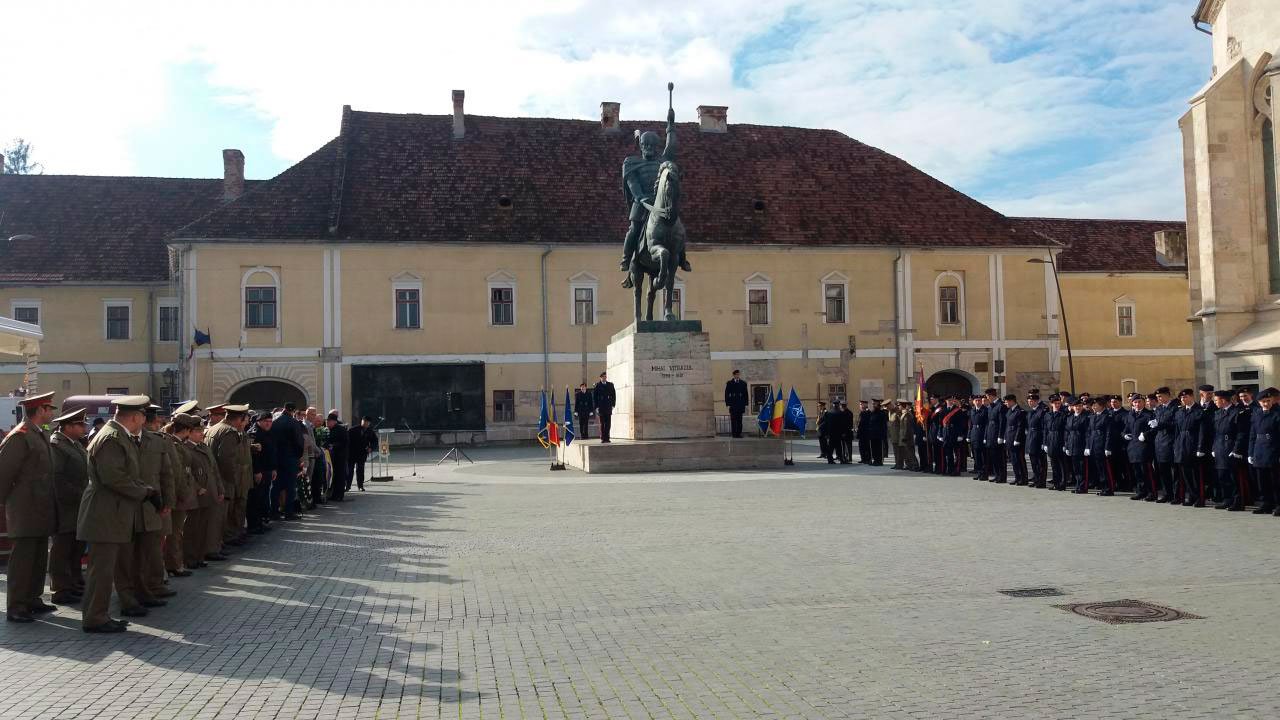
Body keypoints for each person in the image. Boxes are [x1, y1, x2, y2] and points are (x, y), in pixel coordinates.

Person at [79, 395, 156, 633]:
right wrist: (144, 493)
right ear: (135, 417)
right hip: (105, 513)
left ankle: (99, 614)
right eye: (143, 416)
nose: (144, 421)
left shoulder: (119, 435)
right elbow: (114, 477)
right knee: (101, 570)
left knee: (105, 568)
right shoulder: (112, 438)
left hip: (113, 511)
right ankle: (95, 618)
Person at [0, 391, 59, 623]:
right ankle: (16, 605)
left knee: (37, 557)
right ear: (40, 410)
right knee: (23, 559)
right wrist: (6, 502)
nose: (51, 413)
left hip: (41, 505)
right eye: (49, 409)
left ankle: (33, 598)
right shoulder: (20, 435)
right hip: (25, 507)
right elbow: (4, 472)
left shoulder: (39, 434)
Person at [48, 408, 90, 605]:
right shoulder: (57, 445)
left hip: (78, 504)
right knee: (62, 549)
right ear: (68, 426)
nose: (84, 428)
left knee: (76, 546)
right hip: (65, 506)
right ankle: (61, 588)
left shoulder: (75, 444)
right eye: (80, 424)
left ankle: (73, 582)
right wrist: (79, 494)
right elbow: (57, 479)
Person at [162, 413, 200, 578]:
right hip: (177, 494)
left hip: (181, 491)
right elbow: (177, 473)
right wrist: (184, 493)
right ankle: (174, 565)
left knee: (177, 531)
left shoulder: (177, 443)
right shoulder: (174, 444)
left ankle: (175, 563)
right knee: (174, 533)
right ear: (185, 430)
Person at [1209, 390, 1245, 511]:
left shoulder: (1237, 412)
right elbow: (1215, 433)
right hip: (1220, 447)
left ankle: (1237, 501)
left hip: (1230, 446)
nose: (1215, 402)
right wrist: (1214, 447)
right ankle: (1227, 499)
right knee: (1222, 476)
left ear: (1223, 400)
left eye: (1216, 400)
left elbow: (1241, 433)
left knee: (1233, 477)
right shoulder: (1217, 413)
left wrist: (1236, 449)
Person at [1172, 388, 1207, 507]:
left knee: (1196, 474)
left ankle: (1200, 498)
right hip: (1181, 445)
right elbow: (1177, 431)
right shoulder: (1179, 412)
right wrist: (1176, 446)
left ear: (1192, 397)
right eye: (1181, 398)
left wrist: (1200, 448)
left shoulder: (1200, 411)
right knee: (1185, 474)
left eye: (1185, 397)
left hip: (1193, 444)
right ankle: (1192, 496)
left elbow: (1202, 431)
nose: (1183, 399)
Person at [1248, 387, 1280, 515]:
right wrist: (1250, 453)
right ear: (1259, 402)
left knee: (1275, 480)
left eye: (1268, 400)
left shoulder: (1277, 413)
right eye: (1263, 401)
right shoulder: (1256, 413)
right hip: (1259, 449)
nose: (1266, 403)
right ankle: (1266, 504)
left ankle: (1278, 504)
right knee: (1262, 480)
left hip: (1273, 449)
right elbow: (1252, 434)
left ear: (1272, 400)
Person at [271, 403, 307, 514]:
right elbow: (299, 442)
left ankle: (274, 512)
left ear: (284, 409)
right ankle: (289, 512)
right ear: (293, 411)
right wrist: (298, 456)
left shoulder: (275, 422)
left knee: (276, 486)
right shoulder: (294, 423)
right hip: (291, 458)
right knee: (290, 486)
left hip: (277, 458)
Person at [1123, 394, 1157, 501]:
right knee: (1137, 471)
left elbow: (1153, 429)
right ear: (1132, 403)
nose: (1137, 404)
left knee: (1146, 471)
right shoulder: (1130, 415)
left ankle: (1152, 492)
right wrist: (1124, 435)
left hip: (1144, 446)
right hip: (1133, 447)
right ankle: (1141, 491)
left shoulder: (1149, 414)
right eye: (1135, 402)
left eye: (1139, 402)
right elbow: (1126, 429)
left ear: (1143, 403)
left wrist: (1145, 435)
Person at [247, 413, 276, 531]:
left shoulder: (269, 432)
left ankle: (260, 522)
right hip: (259, 471)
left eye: (270, 421)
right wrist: (257, 471)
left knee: (263, 497)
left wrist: (274, 468)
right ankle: (254, 525)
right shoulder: (254, 433)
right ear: (259, 421)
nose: (268, 423)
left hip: (267, 469)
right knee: (255, 499)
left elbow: (273, 452)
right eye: (266, 421)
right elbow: (253, 456)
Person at [1150, 387, 1178, 503]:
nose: (1159, 399)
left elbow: (1175, 424)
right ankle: (1167, 494)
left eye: (1161, 396)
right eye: (1157, 397)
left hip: (1171, 442)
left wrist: (1160, 424)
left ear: (1168, 395)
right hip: (1160, 442)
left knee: (1175, 471)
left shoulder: (1175, 407)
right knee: (1163, 471)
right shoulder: (1159, 409)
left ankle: (1177, 495)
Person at [1085, 397, 1115, 495]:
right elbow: (1089, 433)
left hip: (1102, 445)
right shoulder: (1093, 416)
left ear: (1101, 406)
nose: (1093, 407)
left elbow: (1109, 433)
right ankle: (1103, 487)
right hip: (1094, 445)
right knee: (1099, 468)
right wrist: (1088, 446)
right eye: (1092, 405)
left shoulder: (1107, 416)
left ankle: (1109, 488)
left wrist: (1107, 447)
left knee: (1105, 468)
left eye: (1095, 405)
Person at [1063, 396, 1089, 493]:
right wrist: (1066, 446)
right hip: (1072, 444)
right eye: (1076, 406)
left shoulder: (1086, 417)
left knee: (1082, 468)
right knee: (1076, 468)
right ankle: (1078, 485)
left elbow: (1087, 433)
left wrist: (1087, 447)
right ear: (1073, 407)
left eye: (1079, 406)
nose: (1077, 408)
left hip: (1081, 445)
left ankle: (1083, 487)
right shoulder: (1070, 417)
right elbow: (1067, 432)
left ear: (1082, 406)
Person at [1002, 394, 1027, 486]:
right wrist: (1005, 437)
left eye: (1006, 401)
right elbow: (1007, 426)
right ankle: (1017, 477)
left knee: (1019, 460)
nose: (1005, 403)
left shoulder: (1020, 411)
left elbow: (1020, 427)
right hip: (1009, 437)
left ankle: (1023, 479)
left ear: (1012, 401)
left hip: (1017, 439)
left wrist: (1017, 439)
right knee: (1013, 460)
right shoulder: (1009, 411)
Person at [325, 412, 350, 501]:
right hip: (332, 457)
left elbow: (345, 442)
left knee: (340, 476)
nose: (327, 423)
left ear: (334, 421)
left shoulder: (341, 429)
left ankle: (340, 495)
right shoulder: (329, 429)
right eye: (327, 421)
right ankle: (334, 494)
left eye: (329, 421)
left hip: (340, 457)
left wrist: (333, 446)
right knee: (334, 476)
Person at [348, 416, 377, 493]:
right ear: (361, 421)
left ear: (369, 423)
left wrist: (371, 448)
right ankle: (347, 486)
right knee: (350, 470)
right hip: (352, 453)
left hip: (362, 453)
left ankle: (360, 486)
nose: (365, 423)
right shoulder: (353, 430)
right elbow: (347, 440)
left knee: (360, 470)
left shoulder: (370, 431)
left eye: (367, 422)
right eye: (364, 421)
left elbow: (375, 441)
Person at [1025, 392, 1048, 488]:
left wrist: (1044, 442)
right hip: (1031, 438)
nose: (1030, 403)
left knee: (1040, 462)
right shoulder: (1030, 412)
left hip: (1038, 438)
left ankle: (1041, 481)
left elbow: (1044, 428)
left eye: (1032, 401)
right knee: (1033, 461)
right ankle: (1036, 479)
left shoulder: (1041, 412)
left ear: (1037, 401)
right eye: (1029, 401)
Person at [724, 370, 749, 438]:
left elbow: (745, 394)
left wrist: (746, 403)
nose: (737, 376)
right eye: (736, 375)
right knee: (733, 420)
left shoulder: (743, 383)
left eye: (738, 374)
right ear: (734, 375)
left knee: (739, 420)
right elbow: (726, 394)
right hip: (733, 404)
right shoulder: (729, 383)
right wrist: (728, 403)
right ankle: (734, 434)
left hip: (740, 404)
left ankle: (739, 433)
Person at [594, 372, 616, 443]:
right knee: (602, 423)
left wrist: (613, 405)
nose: (604, 378)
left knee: (608, 423)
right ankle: (603, 438)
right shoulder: (597, 385)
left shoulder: (610, 385)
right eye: (603, 377)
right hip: (601, 406)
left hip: (608, 406)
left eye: (605, 377)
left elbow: (613, 395)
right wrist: (596, 407)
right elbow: (595, 397)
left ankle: (607, 437)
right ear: (600, 377)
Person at [865, 400, 888, 466]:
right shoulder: (872, 413)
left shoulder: (882, 413)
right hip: (872, 434)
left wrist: (883, 434)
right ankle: (875, 460)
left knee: (879, 448)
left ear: (878, 405)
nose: (873, 405)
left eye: (874, 404)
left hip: (879, 434)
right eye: (873, 404)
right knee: (873, 448)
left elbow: (884, 425)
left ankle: (879, 461)